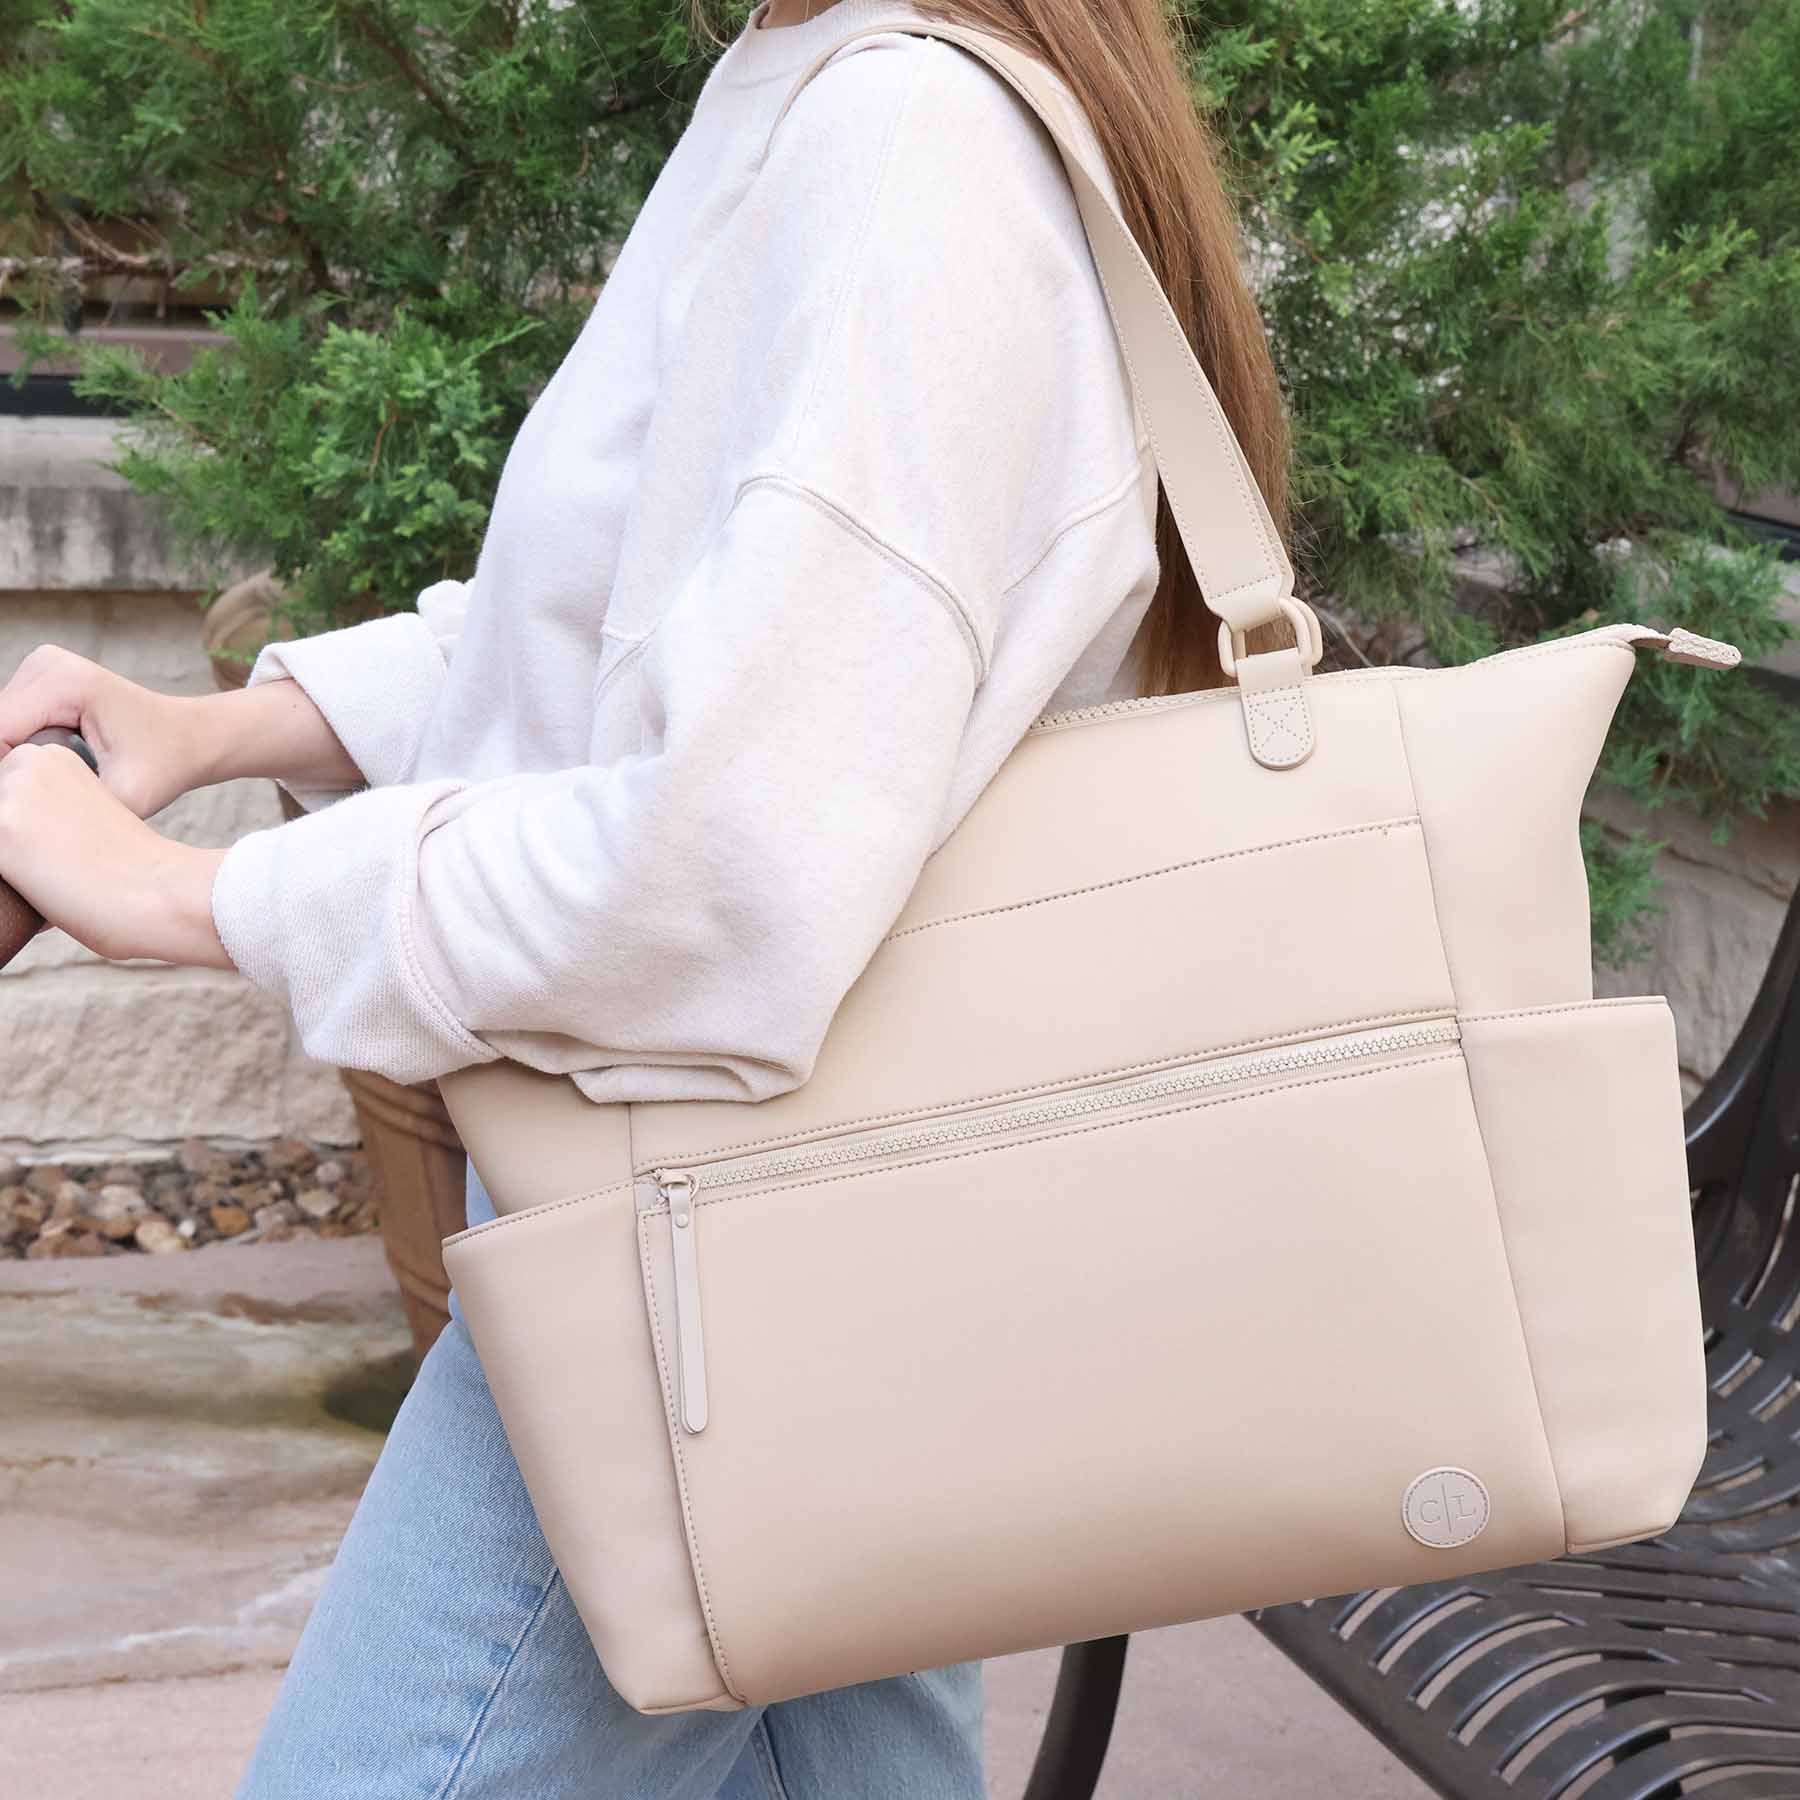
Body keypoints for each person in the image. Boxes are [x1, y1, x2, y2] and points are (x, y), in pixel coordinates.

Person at [0, 0, 1292, 1790]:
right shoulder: (816, 79)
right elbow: (648, 636)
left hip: (705, 1263)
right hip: (814, 1246)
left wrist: (177, 898)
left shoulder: (904, 138)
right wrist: (219, 729)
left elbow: (728, 861)